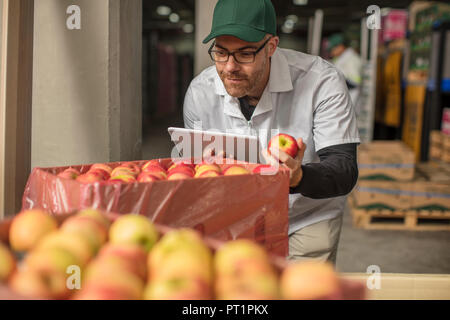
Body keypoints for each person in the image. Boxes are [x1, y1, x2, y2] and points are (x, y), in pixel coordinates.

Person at [183, 0, 360, 264]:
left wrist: (298, 177)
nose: (230, 67)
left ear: (272, 47)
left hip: (306, 214)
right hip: (234, 215)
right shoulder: (200, 92)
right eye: (221, 52)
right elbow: (192, 170)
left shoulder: (321, 81)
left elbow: (344, 169)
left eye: (244, 54)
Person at [327, 33, 362, 105]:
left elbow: (355, 82)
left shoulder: (351, 58)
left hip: (351, 97)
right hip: (342, 98)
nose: (331, 52)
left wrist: (336, 81)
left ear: (340, 46)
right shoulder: (340, 58)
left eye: (332, 49)